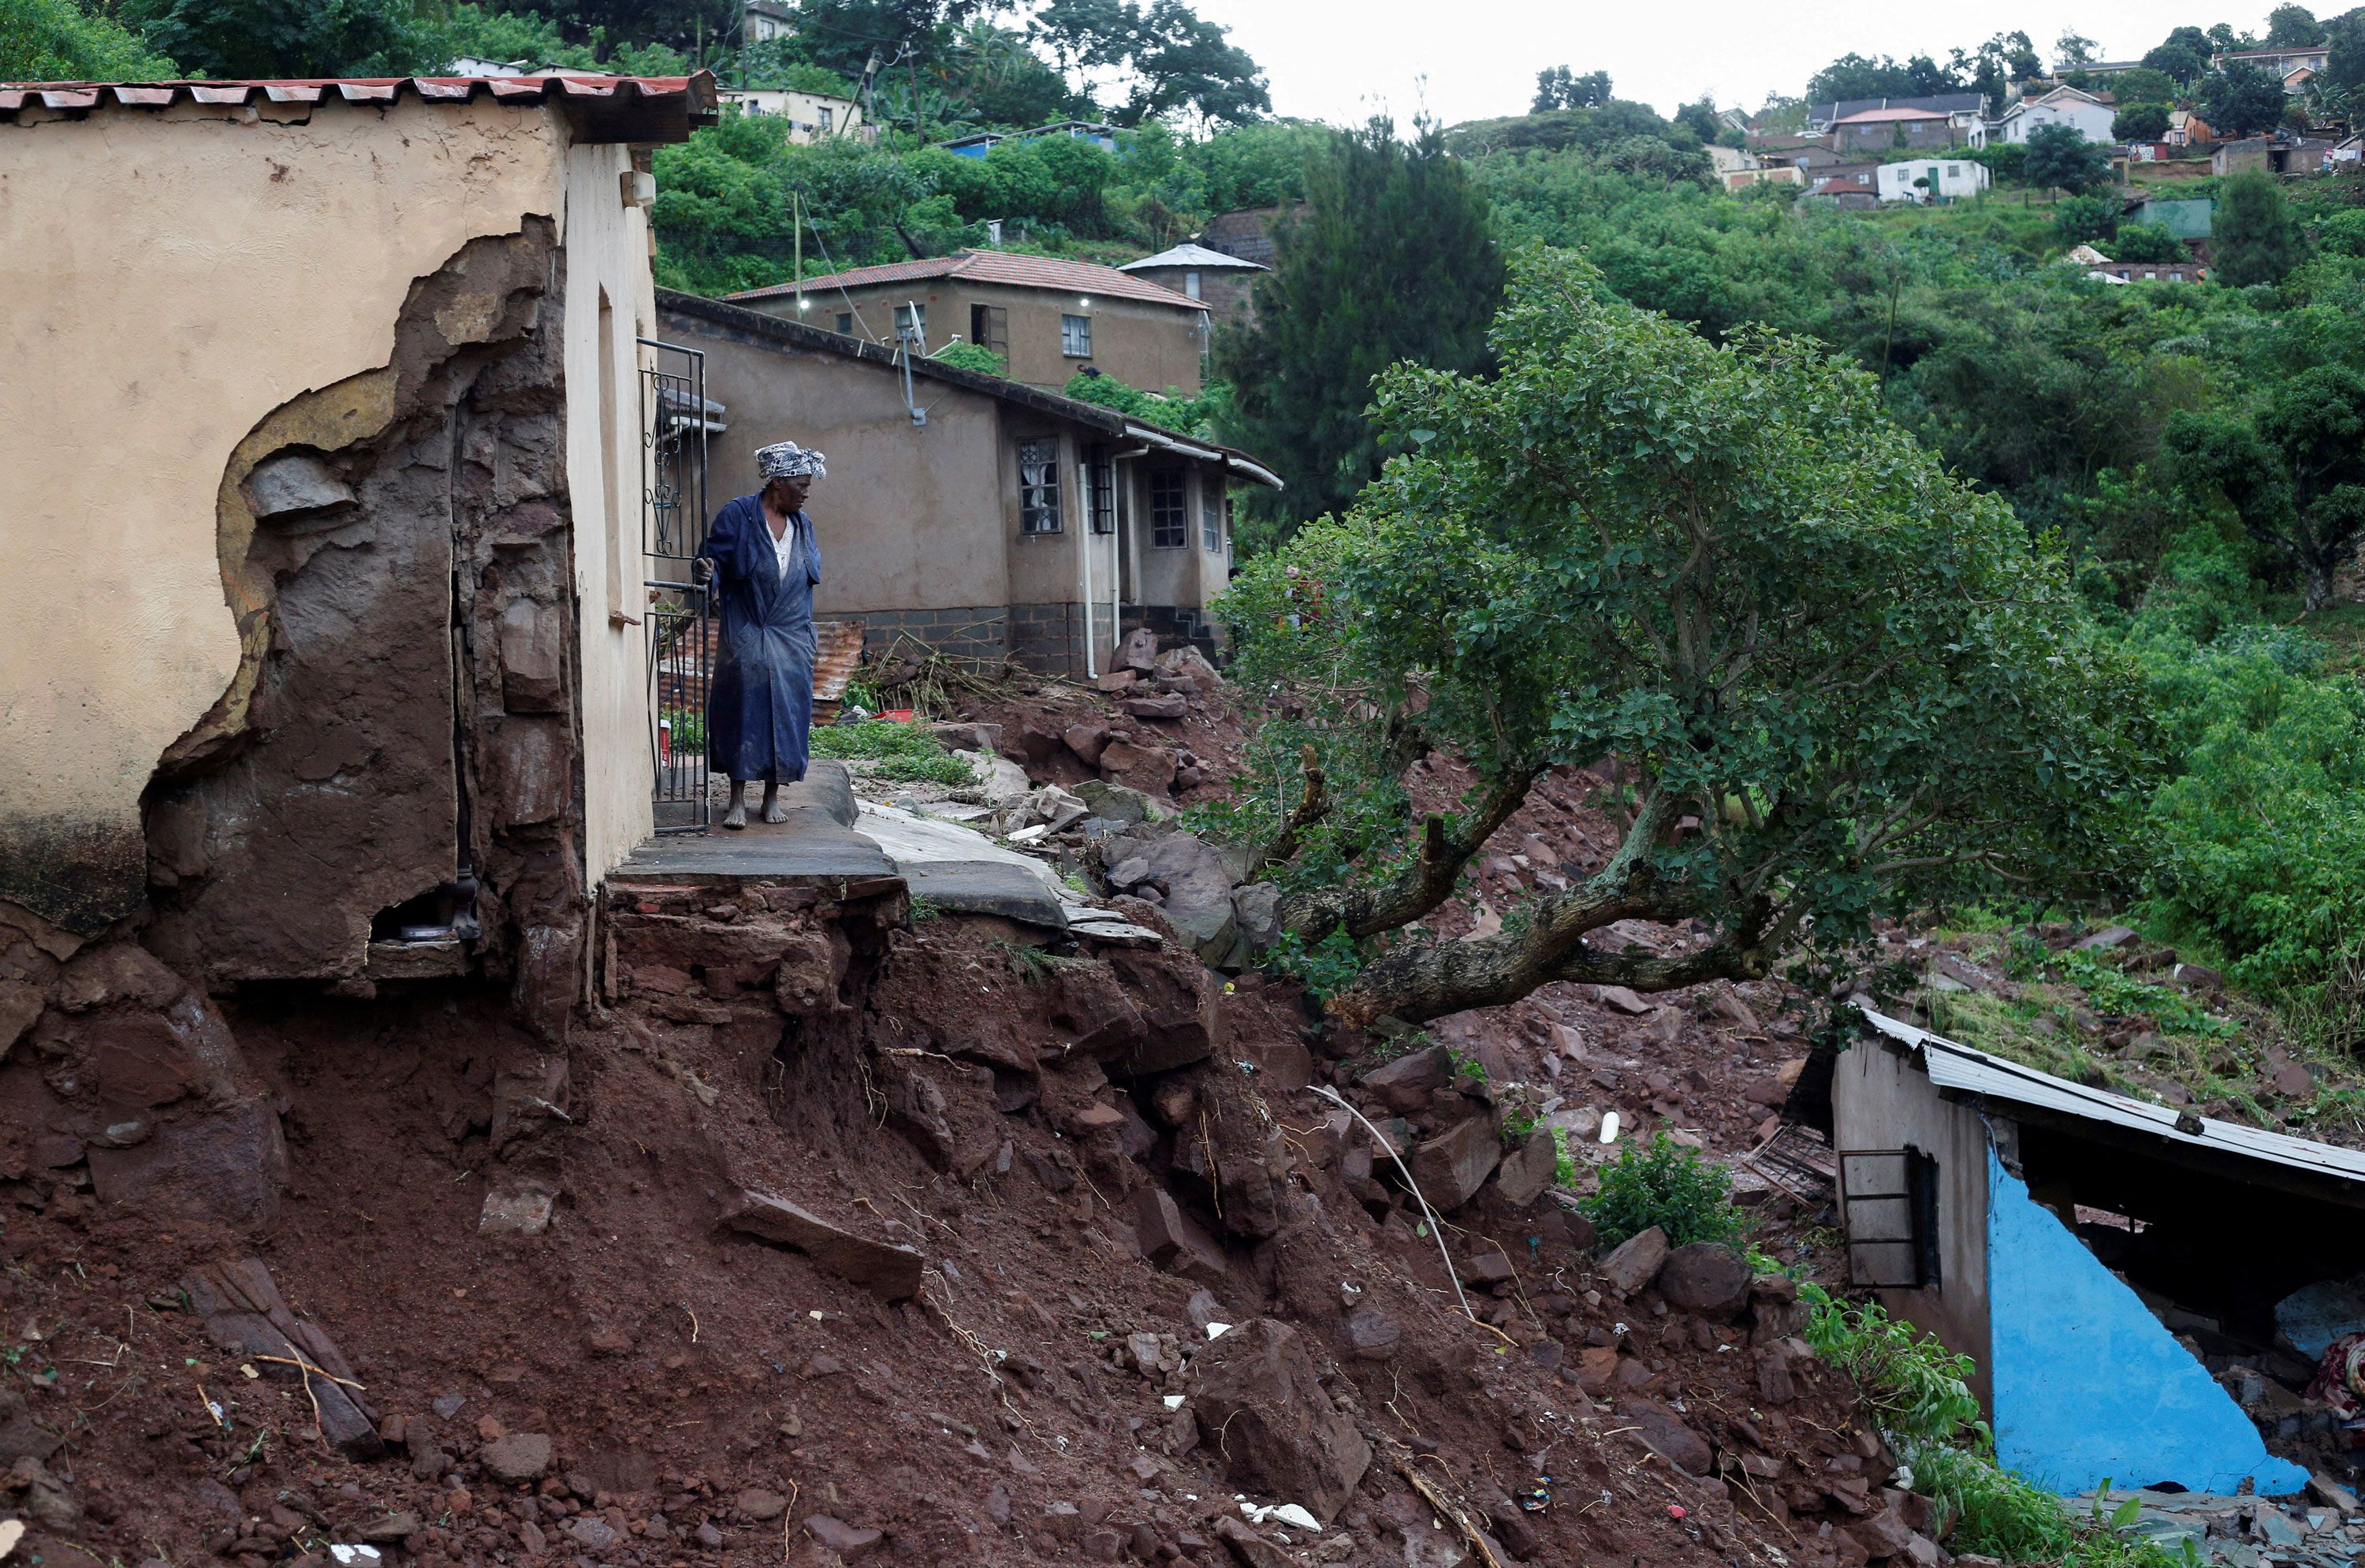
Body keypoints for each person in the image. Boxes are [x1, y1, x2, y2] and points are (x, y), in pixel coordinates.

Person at [697, 441, 825, 829]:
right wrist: (707, 575)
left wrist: (807, 641)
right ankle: (736, 798)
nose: (806, 492)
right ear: (778, 483)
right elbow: (713, 560)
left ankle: (772, 795)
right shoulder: (739, 516)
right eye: (800, 485)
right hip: (749, 629)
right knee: (742, 709)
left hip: (791, 637)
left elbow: (805, 585)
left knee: (787, 716)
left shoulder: (804, 526)